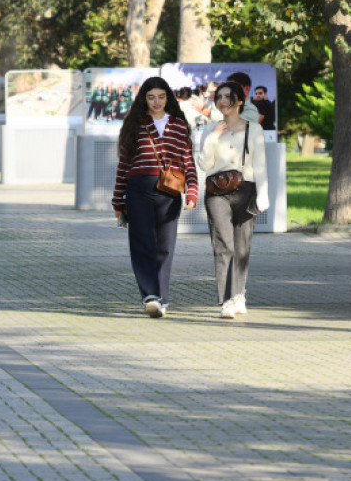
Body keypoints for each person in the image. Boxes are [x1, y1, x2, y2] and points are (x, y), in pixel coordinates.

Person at [112, 77, 199, 318]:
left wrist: (192, 190)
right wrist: (118, 200)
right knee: (142, 243)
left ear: (168, 98)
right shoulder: (134, 124)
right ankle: (150, 296)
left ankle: (162, 297)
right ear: (144, 99)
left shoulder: (179, 126)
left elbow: (187, 161)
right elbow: (124, 164)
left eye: (161, 97)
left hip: (169, 190)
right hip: (138, 188)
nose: (156, 102)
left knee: (165, 246)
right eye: (151, 97)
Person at [197, 80, 270, 319]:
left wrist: (263, 196)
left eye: (228, 97)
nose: (223, 101)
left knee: (242, 248)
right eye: (219, 97)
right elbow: (204, 163)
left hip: (246, 190)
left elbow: (260, 164)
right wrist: (213, 136)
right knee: (223, 245)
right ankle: (227, 300)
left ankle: (239, 294)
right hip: (216, 191)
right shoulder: (210, 129)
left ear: (239, 101)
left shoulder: (253, 129)